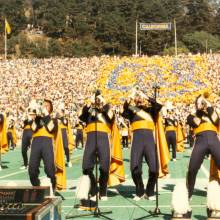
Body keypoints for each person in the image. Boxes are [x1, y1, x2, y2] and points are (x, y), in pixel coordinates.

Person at [122, 88, 163, 201]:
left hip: (150, 141)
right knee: (135, 168)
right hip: (137, 141)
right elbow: (124, 109)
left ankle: (150, 191)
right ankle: (139, 190)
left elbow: (159, 105)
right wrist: (130, 96)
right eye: (137, 97)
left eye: (141, 97)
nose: (139, 99)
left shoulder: (151, 110)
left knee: (154, 169)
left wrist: (146, 96)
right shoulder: (131, 110)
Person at [79, 90, 115, 200]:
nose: (97, 101)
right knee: (86, 167)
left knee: (104, 167)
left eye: (99, 99)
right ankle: (94, 189)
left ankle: (103, 190)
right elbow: (81, 116)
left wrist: (104, 104)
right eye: (96, 99)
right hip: (90, 139)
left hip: (103, 138)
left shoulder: (107, 108)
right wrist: (89, 103)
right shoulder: (90, 110)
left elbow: (111, 118)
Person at [186, 94, 220, 199]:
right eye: (199, 102)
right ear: (196, 105)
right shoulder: (191, 115)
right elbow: (196, 123)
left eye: (202, 102)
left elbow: (217, 121)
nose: (201, 104)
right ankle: (188, 194)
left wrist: (209, 106)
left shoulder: (212, 113)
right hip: (200, 140)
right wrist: (200, 110)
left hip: (214, 139)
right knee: (192, 168)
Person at [29, 99, 57, 191]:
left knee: (50, 169)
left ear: (50, 109)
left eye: (47, 106)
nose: (44, 106)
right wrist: (34, 117)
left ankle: (53, 187)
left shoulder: (53, 119)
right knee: (32, 170)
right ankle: (37, 187)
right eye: (43, 105)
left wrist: (46, 115)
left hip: (47, 143)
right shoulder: (37, 119)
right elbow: (33, 129)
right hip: (36, 142)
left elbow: (51, 129)